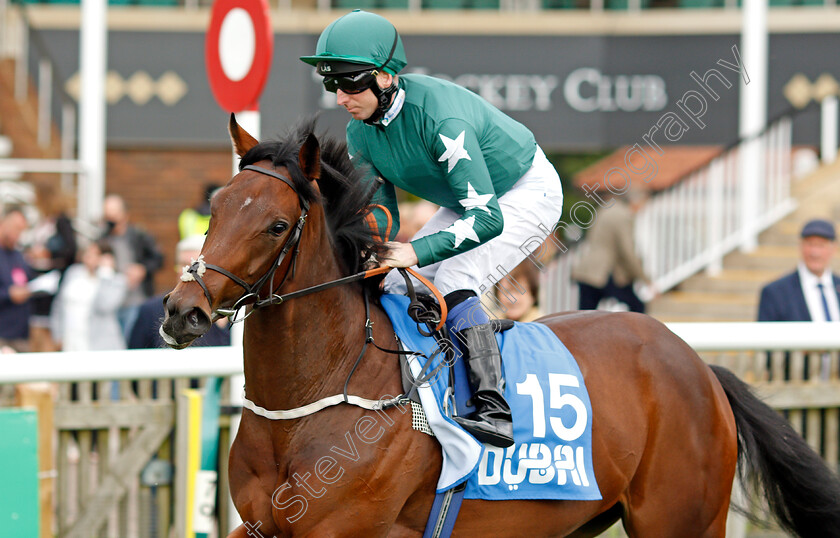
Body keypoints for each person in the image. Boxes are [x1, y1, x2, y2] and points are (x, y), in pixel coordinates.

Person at [300, 10, 564, 447]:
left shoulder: (441, 120)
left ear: (384, 77)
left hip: (525, 191)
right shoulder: (361, 133)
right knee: (396, 286)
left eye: (348, 82)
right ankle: (415, 391)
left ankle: (493, 408)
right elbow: (381, 220)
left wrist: (414, 253)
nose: (339, 96)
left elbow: (487, 219)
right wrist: (369, 257)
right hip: (468, 200)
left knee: (457, 277)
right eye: (331, 84)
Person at [129, 235, 230, 349]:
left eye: (195, 266)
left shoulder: (234, 311)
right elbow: (135, 357)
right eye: (183, 264)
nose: (188, 271)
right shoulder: (151, 311)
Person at [571, 189, 652, 314]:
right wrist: (644, 278)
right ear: (637, 201)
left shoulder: (606, 209)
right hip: (603, 272)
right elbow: (627, 250)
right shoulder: (623, 215)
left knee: (584, 317)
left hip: (588, 270)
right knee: (637, 308)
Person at [100, 194, 164, 337]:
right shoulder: (103, 239)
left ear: (124, 215)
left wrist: (142, 269)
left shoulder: (138, 235)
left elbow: (158, 259)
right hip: (112, 302)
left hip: (136, 301)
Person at [50, 239, 127, 352]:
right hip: (70, 340)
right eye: (87, 252)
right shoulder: (73, 272)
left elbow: (104, 306)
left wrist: (106, 273)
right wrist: (58, 334)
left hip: (98, 345)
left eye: (95, 254)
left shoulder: (115, 280)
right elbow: (58, 305)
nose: (89, 256)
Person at [758, 219, 840, 322]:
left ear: (834, 248)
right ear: (800, 246)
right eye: (810, 244)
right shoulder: (775, 292)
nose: (815, 252)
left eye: (821, 245)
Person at [0, 206, 33, 351]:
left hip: (20, 335)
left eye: (21, 230)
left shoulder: (18, 255)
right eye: (16, 228)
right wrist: (8, 294)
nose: (18, 234)